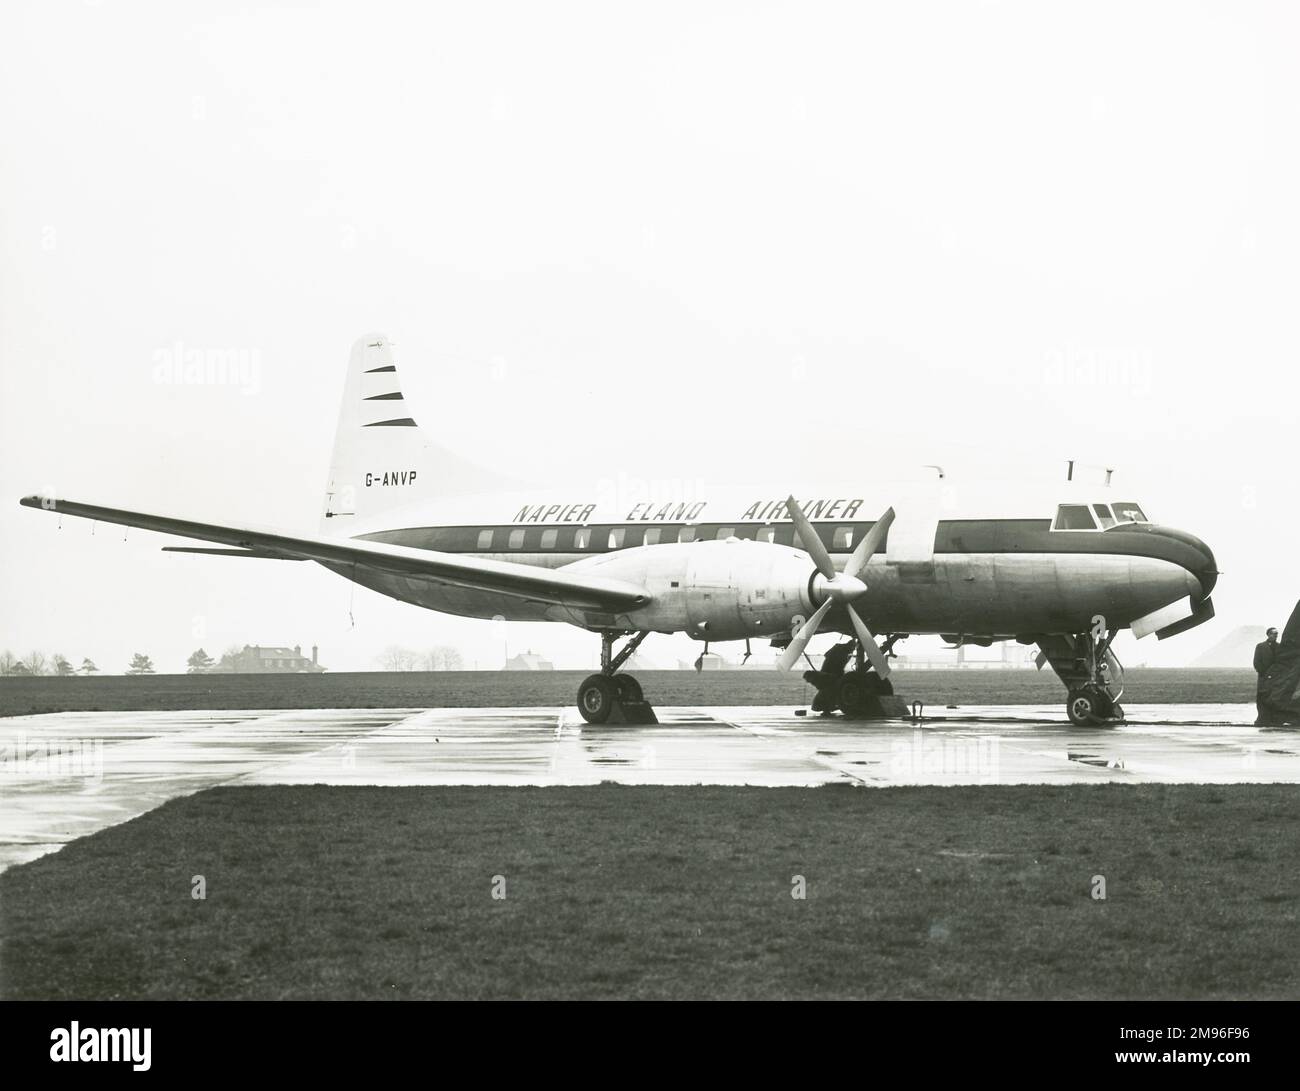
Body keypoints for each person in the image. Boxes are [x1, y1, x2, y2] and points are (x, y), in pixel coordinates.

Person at [1254, 627, 1280, 724]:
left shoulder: (1280, 647)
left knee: (1274, 696)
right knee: (1262, 696)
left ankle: (1274, 718)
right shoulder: (1260, 646)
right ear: (1268, 634)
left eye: (1277, 634)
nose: (1276, 635)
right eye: (1274, 633)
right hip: (1263, 677)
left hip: (1276, 677)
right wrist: (1264, 673)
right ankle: (1261, 718)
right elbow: (1256, 662)